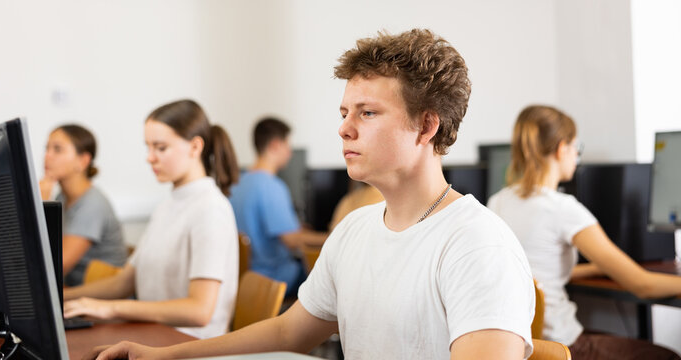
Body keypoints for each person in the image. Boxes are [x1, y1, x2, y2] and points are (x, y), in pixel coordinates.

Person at [84, 29, 534, 360]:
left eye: (368, 112)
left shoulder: (477, 244)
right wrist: (160, 355)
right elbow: (286, 333)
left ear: (426, 125)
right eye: (344, 112)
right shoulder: (355, 230)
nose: (345, 128)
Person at [488, 105, 681, 360]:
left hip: (521, 347)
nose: (576, 156)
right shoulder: (563, 208)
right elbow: (642, 285)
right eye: (576, 148)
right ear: (561, 149)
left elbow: (533, 273)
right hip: (563, 346)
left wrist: (594, 268)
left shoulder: (498, 202)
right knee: (665, 356)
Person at [64, 99, 240, 339]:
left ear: (195, 147)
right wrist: (66, 298)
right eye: (148, 147)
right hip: (155, 336)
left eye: (160, 147)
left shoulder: (211, 208)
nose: (150, 157)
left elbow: (199, 311)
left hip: (191, 345)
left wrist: (110, 308)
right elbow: (125, 282)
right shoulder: (168, 205)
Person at [229, 117, 327, 296]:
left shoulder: (236, 184)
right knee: (329, 282)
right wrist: (332, 236)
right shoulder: (271, 186)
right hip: (273, 278)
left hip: (244, 281)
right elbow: (292, 240)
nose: (289, 153)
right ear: (275, 145)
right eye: (287, 146)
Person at [40, 124, 127, 287]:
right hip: (75, 292)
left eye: (57, 149)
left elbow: (55, 268)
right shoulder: (62, 198)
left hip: (99, 300)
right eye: (47, 149)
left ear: (83, 161)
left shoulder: (92, 204)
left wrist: (41, 207)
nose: (47, 156)